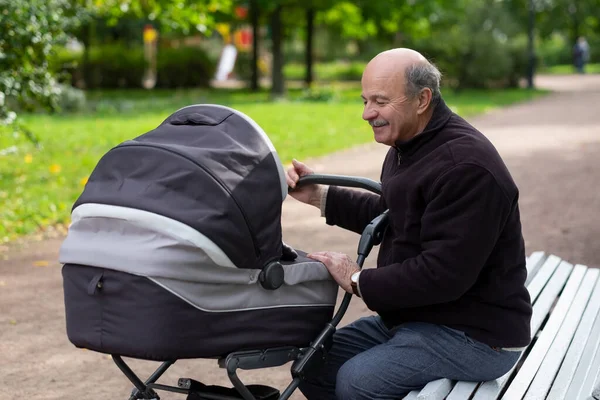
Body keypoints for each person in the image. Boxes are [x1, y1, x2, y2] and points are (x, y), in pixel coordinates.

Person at [285, 48, 533, 399]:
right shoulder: (412, 143)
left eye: (380, 102)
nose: (367, 113)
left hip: (476, 336)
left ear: (422, 99)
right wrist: (319, 195)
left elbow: (442, 275)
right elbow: (394, 215)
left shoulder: (465, 167)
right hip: (419, 319)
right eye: (365, 100)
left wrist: (357, 279)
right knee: (312, 364)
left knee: (358, 382)